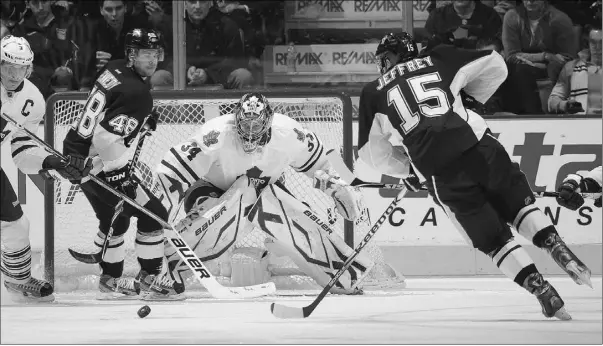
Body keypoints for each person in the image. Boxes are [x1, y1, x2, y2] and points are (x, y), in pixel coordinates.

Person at [357, 32, 592, 320]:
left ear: (397, 54)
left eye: (385, 58)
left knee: (493, 240)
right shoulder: (439, 58)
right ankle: (557, 248)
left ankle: (543, 290)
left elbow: (372, 154)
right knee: (520, 206)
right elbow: (496, 64)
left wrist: (407, 169)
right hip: (481, 145)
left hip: (439, 170)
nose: (382, 65)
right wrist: (469, 97)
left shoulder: (371, 92)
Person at [155, 92, 370, 294]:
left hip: (264, 193)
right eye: (244, 125)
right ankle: (162, 270)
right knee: (242, 194)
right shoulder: (217, 133)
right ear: (236, 121)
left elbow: (324, 162)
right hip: (211, 193)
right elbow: (174, 169)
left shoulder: (289, 134)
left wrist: (342, 187)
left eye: (255, 125)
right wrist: (161, 208)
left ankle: (342, 274)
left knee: (293, 212)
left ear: (267, 122)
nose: (249, 133)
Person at [62, 28, 182, 301]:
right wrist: (118, 175)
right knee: (154, 214)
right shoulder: (139, 93)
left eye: (154, 54)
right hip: (99, 165)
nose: (152, 61)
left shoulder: (114, 69)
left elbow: (108, 114)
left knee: (114, 219)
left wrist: (139, 124)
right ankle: (151, 279)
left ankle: (110, 281)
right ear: (131, 55)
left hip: (75, 157)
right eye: (144, 54)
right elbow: (105, 138)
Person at [1, 35, 90, 301]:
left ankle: (18, 281)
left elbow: (22, 153)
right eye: (8, 67)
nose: (15, 74)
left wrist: (49, 162)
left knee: (17, 224)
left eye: (22, 68)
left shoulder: (33, 100)